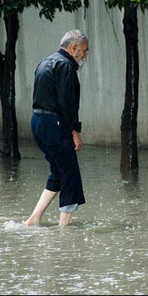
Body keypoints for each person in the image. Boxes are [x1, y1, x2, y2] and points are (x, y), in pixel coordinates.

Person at [24, 30, 89, 226]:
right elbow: (68, 104)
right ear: (73, 48)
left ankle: (33, 219)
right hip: (54, 124)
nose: (85, 55)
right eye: (84, 51)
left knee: (58, 172)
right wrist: (75, 132)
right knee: (70, 174)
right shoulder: (66, 66)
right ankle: (64, 230)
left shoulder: (45, 62)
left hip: (37, 122)